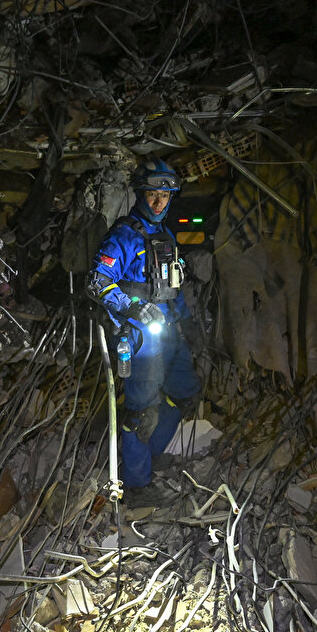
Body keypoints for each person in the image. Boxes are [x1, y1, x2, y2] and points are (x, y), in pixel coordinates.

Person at [88, 159, 201, 492]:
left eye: (165, 196)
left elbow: (171, 288)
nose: (158, 202)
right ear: (140, 194)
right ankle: (136, 484)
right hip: (138, 337)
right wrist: (132, 307)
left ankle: (150, 455)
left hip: (167, 332)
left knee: (184, 392)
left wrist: (187, 322)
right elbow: (97, 281)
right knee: (142, 414)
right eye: (152, 195)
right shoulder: (123, 236)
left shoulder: (166, 236)